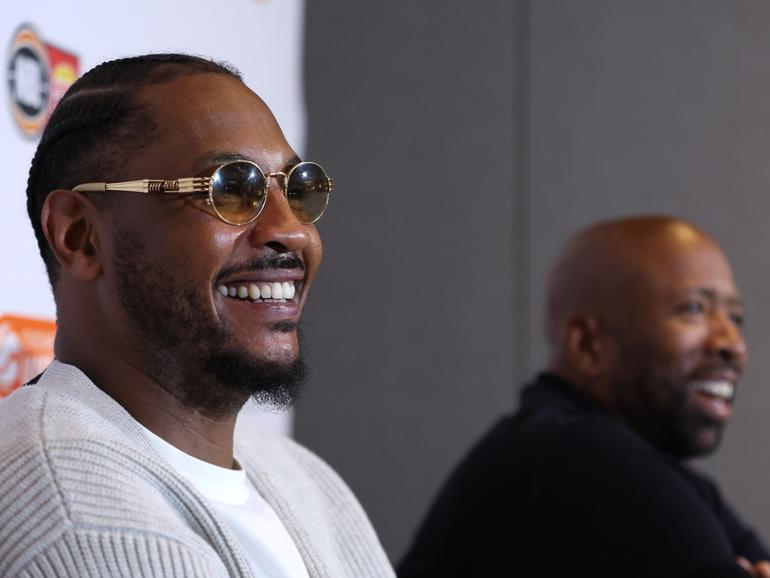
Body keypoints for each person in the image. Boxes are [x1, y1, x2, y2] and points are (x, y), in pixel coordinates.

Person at [0, 53, 394, 577]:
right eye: (231, 189)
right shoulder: (58, 496)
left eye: (297, 191)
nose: (295, 231)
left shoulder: (302, 477)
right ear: (80, 236)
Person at [398, 216, 770, 578]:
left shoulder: (665, 475)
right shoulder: (579, 453)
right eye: (694, 309)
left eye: (736, 318)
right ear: (588, 344)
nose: (732, 344)